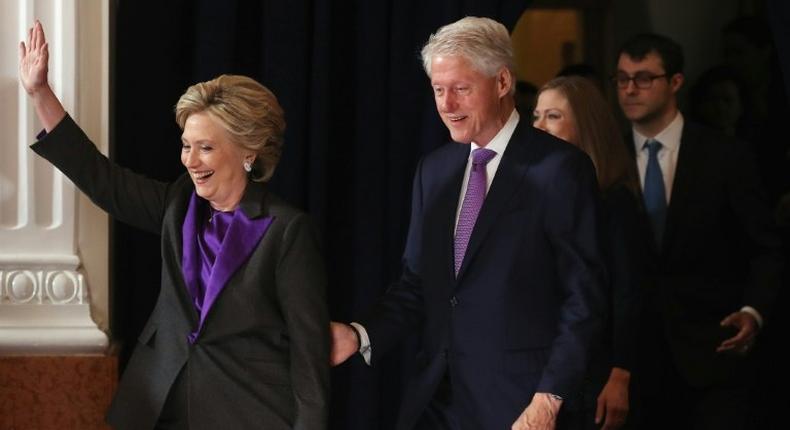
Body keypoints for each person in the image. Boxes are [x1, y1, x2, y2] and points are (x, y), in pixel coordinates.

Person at [19, 21, 329, 430]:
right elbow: (100, 178)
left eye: (206, 148)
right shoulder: (178, 204)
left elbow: (309, 357)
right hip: (159, 404)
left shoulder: (287, 230)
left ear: (248, 152)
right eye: (186, 145)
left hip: (248, 412)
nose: (191, 160)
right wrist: (41, 93)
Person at [331, 16, 607, 430]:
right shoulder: (435, 170)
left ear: (501, 83)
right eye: (438, 90)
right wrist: (359, 334)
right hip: (438, 402)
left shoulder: (559, 169)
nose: (446, 105)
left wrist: (549, 399)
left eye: (461, 89)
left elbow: (583, 297)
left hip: (523, 406)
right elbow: (417, 283)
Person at [613, 33, 783, 429]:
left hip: (713, 350)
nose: (630, 90)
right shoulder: (608, 159)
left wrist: (753, 310)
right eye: (622, 79)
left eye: (643, 78)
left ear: (674, 82)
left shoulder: (724, 155)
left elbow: (765, 245)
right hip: (636, 359)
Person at [533, 76, 643, 430]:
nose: (538, 126)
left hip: (595, 372)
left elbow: (627, 292)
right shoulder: (537, 197)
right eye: (536, 116)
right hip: (546, 368)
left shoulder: (613, 200)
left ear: (584, 125)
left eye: (552, 116)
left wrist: (620, 373)